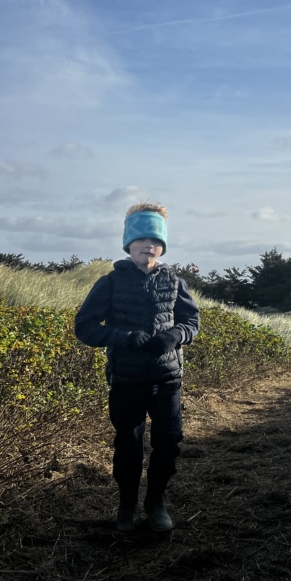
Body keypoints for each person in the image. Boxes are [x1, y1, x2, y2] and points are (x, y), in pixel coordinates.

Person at [74, 202, 200, 534]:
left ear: (162, 246)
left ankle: (156, 504)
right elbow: (85, 326)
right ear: (129, 243)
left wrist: (174, 336)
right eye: (142, 239)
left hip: (167, 378)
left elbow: (192, 322)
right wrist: (123, 337)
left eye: (156, 240)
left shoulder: (175, 282)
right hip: (127, 379)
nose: (149, 245)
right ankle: (126, 507)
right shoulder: (110, 283)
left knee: (169, 442)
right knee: (128, 445)